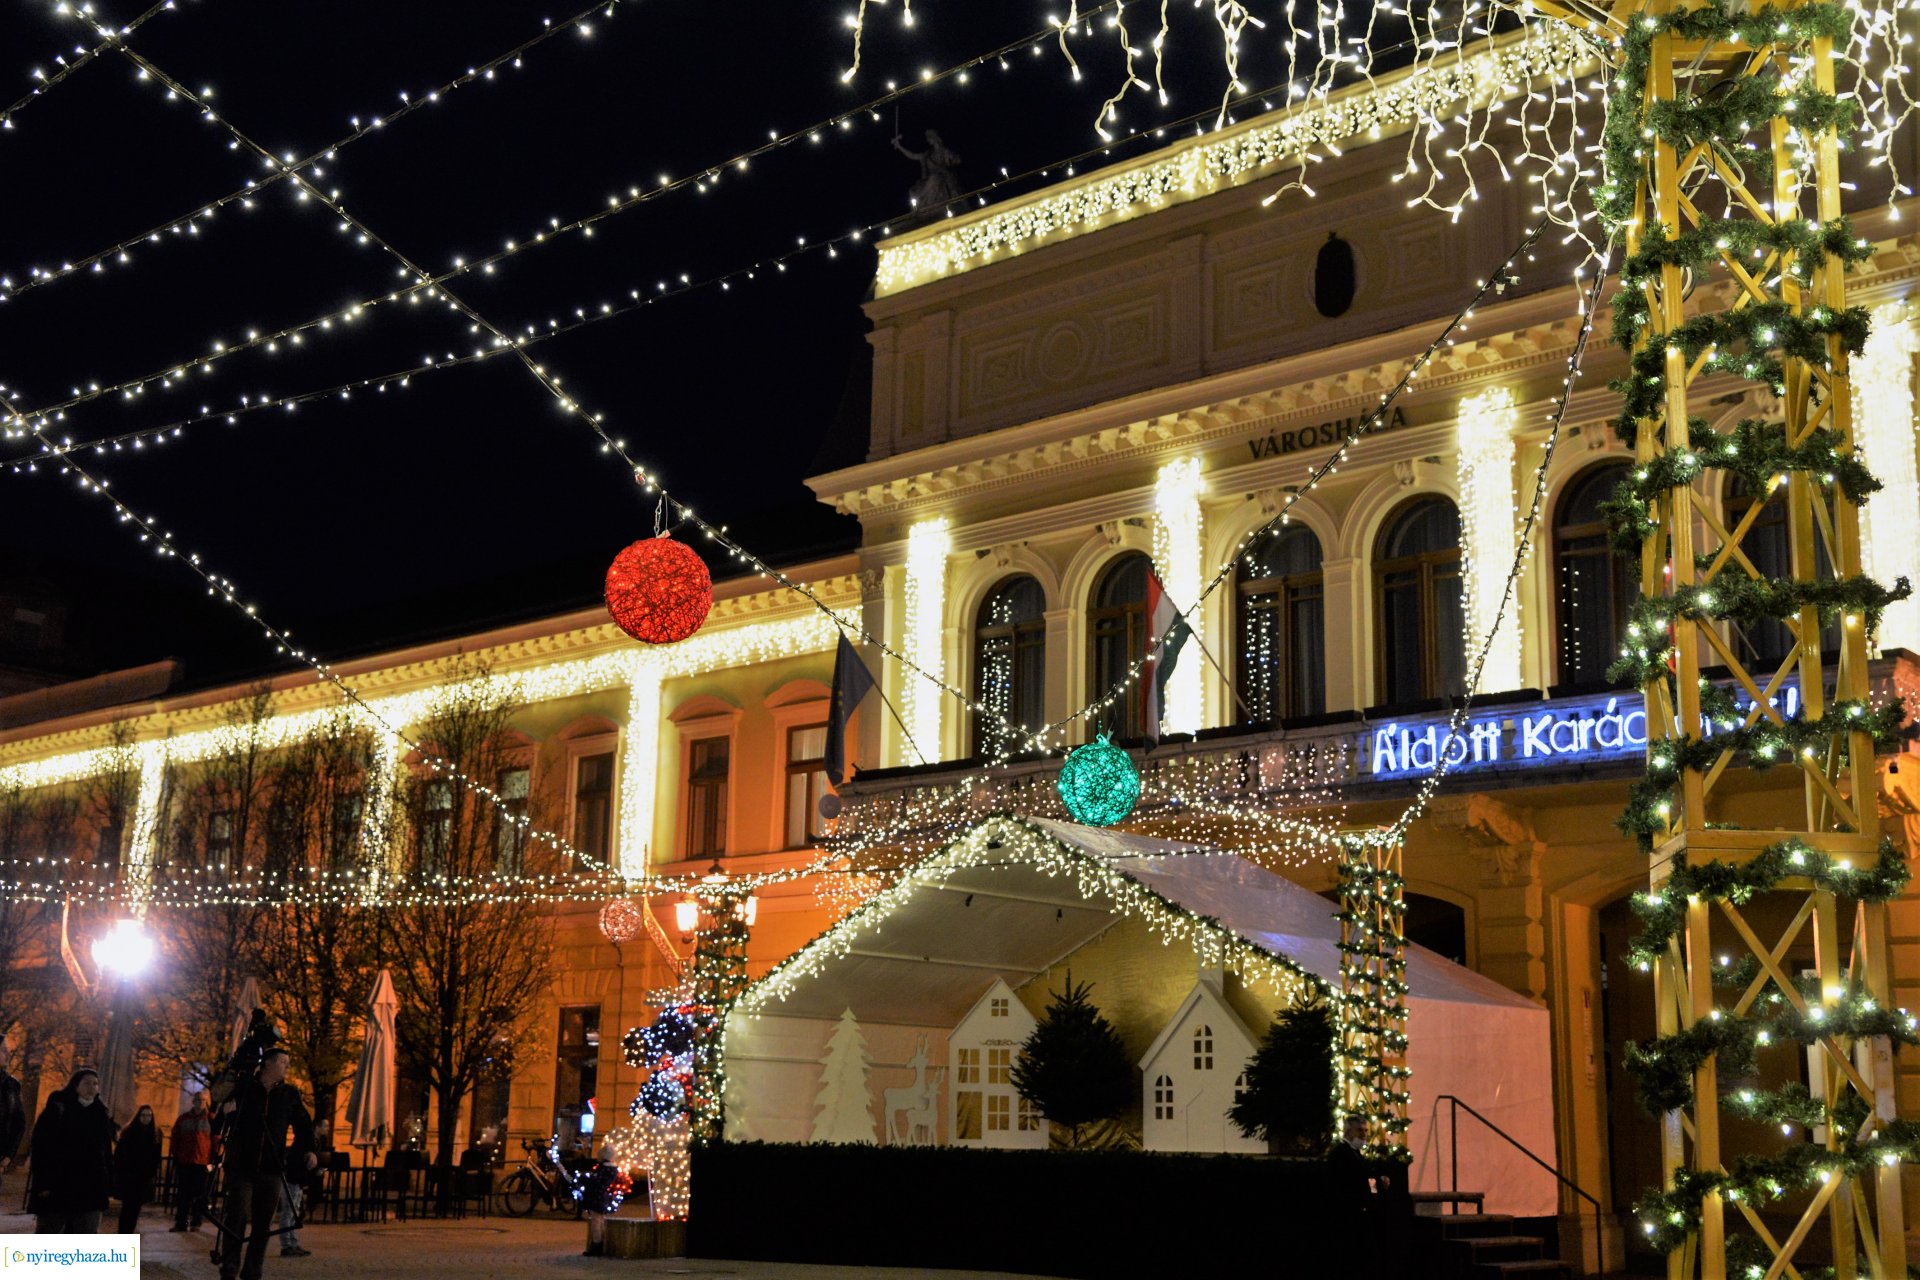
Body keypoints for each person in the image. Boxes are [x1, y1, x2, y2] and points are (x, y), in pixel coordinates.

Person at [215, 1048, 315, 1280]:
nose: (287, 1067)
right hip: (242, 1166)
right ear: (268, 1063)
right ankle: (229, 1268)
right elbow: (220, 1119)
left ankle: (252, 1271)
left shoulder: (288, 1093)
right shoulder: (245, 1087)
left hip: (272, 1168)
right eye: (283, 1062)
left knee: (263, 1225)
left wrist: (309, 1149)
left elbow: (303, 1124)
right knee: (237, 1218)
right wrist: (226, 1115)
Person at [28, 1067, 115, 1234]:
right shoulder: (58, 1108)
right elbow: (41, 1148)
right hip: (58, 1184)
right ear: (76, 1086)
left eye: (95, 1084)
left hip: (90, 1187)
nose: (92, 1087)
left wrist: (108, 1182)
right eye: (87, 1083)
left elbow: (105, 1151)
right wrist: (43, 1182)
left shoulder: (100, 1113)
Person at [112, 1104, 161, 1233]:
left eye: (149, 1115)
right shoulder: (129, 1133)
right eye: (144, 1115)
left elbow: (156, 1158)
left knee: (135, 1209)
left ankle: (128, 1232)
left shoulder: (154, 1135)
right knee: (127, 1208)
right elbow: (119, 1154)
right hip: (129, 1177)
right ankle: (124, 1233)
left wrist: (150, 1173)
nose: (146, 1118)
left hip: (143, 1179)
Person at [170, 1090, 215, 1232]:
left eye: (203, 1100)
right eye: (198, 1100)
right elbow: (175, 1137)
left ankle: (196, 1222)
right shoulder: (183, 1119)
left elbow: (216, 1139)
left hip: (202, 1162)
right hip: (186, 1161)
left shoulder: (211, 1119)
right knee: (183, 1194)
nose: (200, 1103)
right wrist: (176, 1155)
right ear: (193, 1101)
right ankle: (181, 1222)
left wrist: (213, 1159)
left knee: (199, 1195)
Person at [276, 1116, 312, 1258]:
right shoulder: (300, 1147)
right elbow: (294, 1166)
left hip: (296, 1182)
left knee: (294, 1213)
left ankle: (293, 1243)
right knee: (289, 1213)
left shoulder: (302, 1146)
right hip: (293, 1182)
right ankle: (287, 1245)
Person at [0, 1041, 27, 1197]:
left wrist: (8, 1156)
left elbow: (19, 1122)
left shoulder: (11, 1085)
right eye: (3, 1050)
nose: (8, 1054)